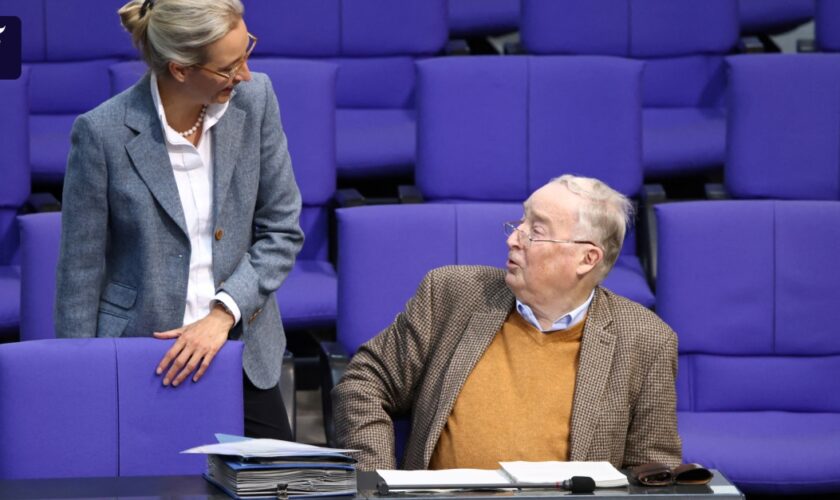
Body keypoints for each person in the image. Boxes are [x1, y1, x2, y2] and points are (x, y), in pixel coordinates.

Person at [54, 0, 304, 440]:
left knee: (277, 483)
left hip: (240, 345)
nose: (243, 74)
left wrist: (222, 314)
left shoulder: (257, 98)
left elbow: (281, 230)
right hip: (141, 354)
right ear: (180, 70)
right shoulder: (102, 133)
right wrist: (80, 382)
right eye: (229, 68)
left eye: (247, 52)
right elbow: (80, 271)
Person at [333, 175, 681, 470]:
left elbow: (652, 472)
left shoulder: (645, 340)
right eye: (520, 223)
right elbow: (364, 382)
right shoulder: (451, 295)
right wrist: (375, 479)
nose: (513, 238)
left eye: (535, 231)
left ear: (586, 259)